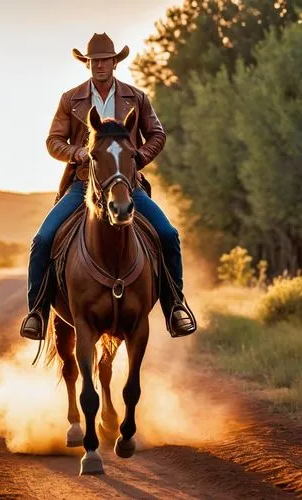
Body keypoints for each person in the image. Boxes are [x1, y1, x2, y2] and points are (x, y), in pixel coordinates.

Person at [20, 32, 196, 340]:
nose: (100, 65)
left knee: (168, 235)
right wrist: (77, 153)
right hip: (81, 185)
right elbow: (53, 141)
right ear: (87, 64)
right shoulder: (70, 99)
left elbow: (157, 133)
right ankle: (37, 312)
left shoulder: (136, 97)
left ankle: (175, 307)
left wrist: (137, 158)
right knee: (42, 239)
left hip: (129, 187)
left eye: (105, 60)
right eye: (94, 61)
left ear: (115, 62)